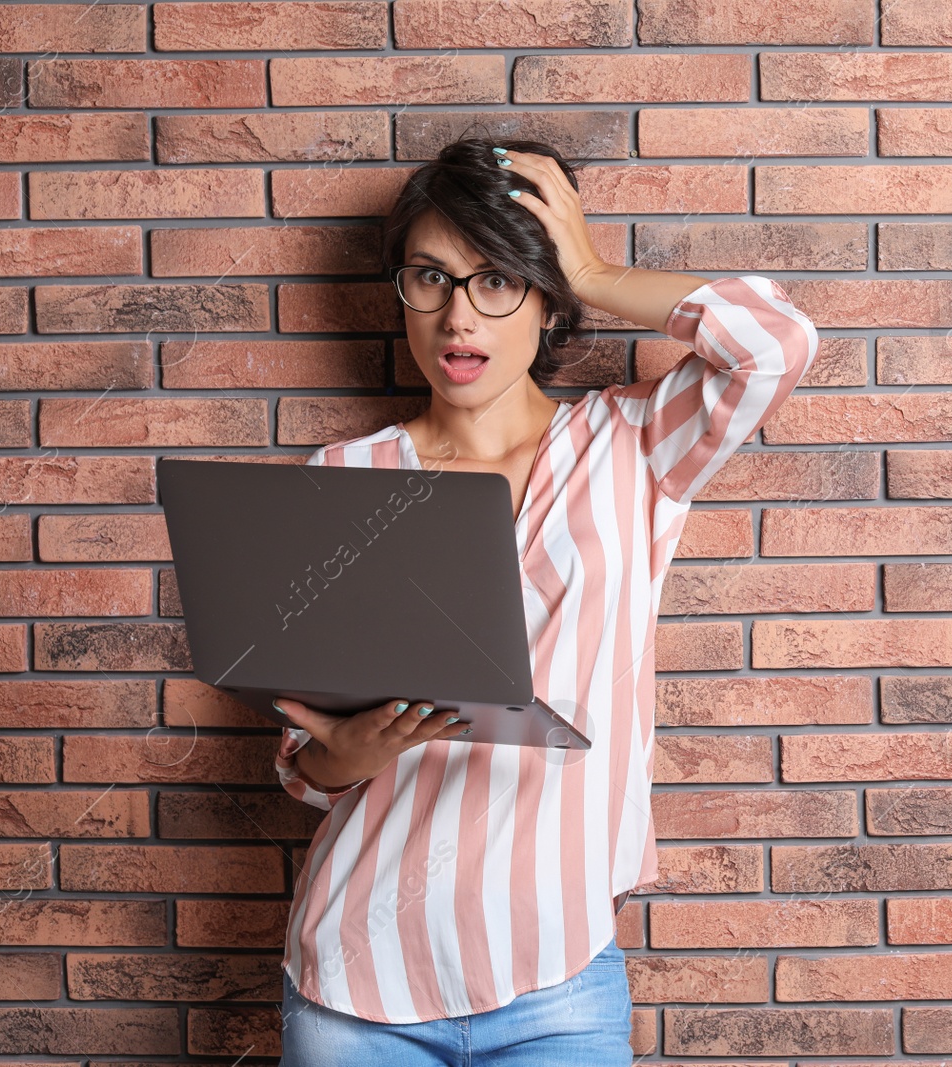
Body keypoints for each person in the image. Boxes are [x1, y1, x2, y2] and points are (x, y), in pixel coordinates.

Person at [267, 137, 819, 1064]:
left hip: (557, 980)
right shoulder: (343, 479)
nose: (457, 317)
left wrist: (596, 269)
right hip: (358, 982)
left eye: (496, 281)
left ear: (547, 294)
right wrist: (341, 758)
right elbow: (299, 760)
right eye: (430, 278)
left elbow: (777, 341)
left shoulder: (632, 446)